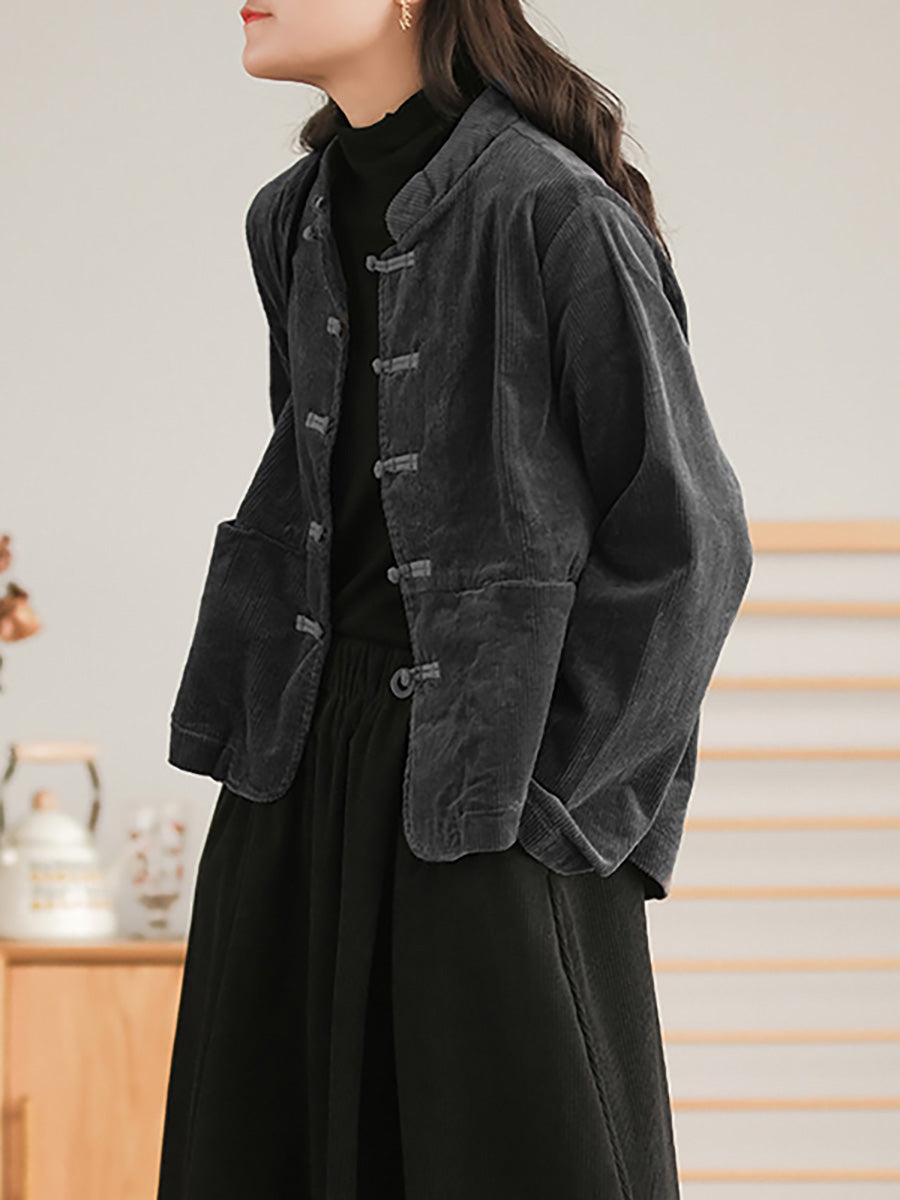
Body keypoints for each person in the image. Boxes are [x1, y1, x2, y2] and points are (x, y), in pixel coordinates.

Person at [156, 0, 754, 1196]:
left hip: (484, 796)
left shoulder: (552, 209)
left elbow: (690, 540)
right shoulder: (289, 218)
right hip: (294, 782)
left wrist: (558, 814)